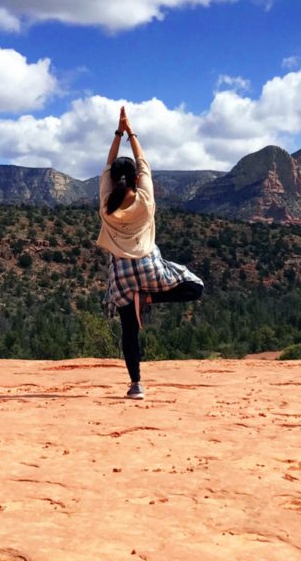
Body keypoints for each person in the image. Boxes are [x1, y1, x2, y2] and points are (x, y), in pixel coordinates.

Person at [97, 106, 204, 400]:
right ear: (134, 179)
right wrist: (130, 132)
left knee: (129, 331)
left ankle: (135, 386)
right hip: (149, 268)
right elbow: (143, 162)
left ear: (114, 179)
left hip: (121, 278)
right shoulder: (145, 200)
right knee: (195, 286)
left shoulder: (106, 204)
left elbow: (107, 167)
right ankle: (150, 298)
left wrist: (116, 134)